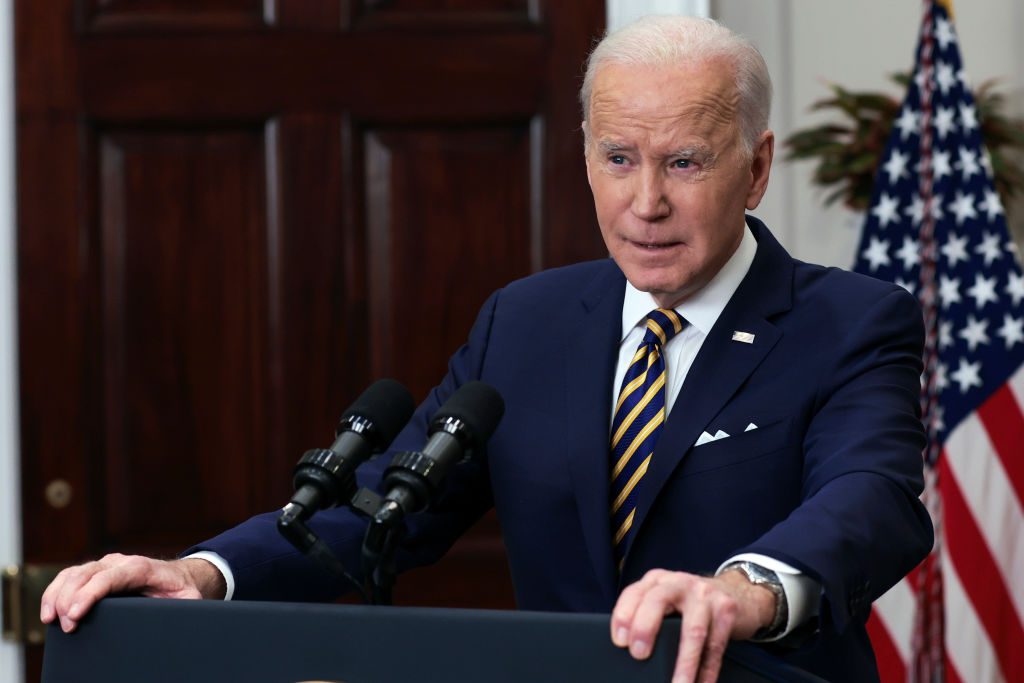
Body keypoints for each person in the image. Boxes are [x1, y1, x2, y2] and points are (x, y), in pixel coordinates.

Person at [40, 15, 932, 682]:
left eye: (685, 163)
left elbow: (871, 498)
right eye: (619, 158)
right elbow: (381, 507)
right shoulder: (527, 320)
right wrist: (200, 572)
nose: (646, 203)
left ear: (758, 166)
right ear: (586, 155)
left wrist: (745, 591)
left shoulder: (852, 322)